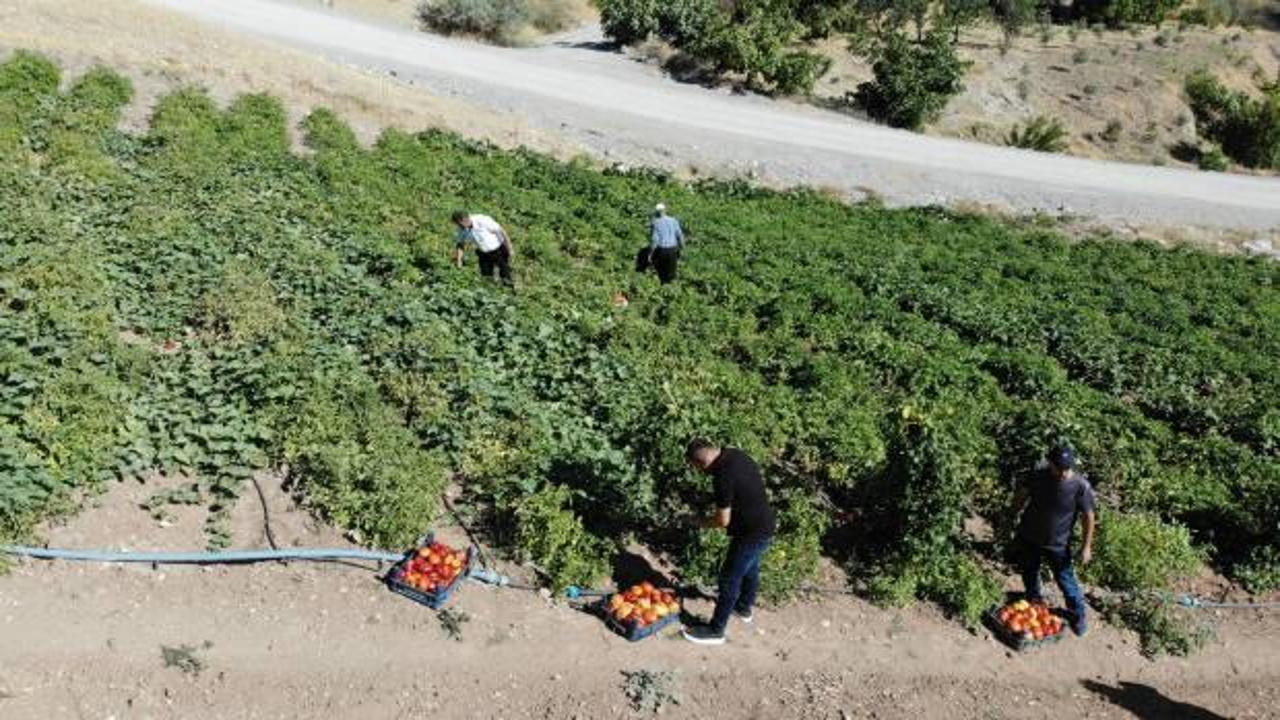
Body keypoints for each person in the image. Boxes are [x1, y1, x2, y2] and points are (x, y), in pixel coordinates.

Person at [681, 439, 777, 646]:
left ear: (701, 462)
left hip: (750, 533)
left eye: (695, 467)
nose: (697, 472)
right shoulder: (735, 453)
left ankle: (716, 631)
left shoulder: (722, 477)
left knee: (728, 579)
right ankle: (743, 608)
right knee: (750, 568)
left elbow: (722, 520)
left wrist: (697, 521)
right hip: (765, 524)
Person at [1013, 444, 1097, 637]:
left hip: (1058, 543)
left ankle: (1078, 615)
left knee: (1066, 580)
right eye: (1058, 467)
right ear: (1049, 463)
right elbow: (1022, 496)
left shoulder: (1080, 486)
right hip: (1030, 535)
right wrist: (1011, 514)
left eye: (1066, 468)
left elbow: (1089, 517)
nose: (1063, 472)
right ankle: (1034, 601)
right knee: (1029, 571)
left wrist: (1086, 547)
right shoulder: (1039, 477)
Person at [452, 210, 513, 285]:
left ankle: (509, 292)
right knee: (486, 277)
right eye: (458, 225)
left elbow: (502, 231)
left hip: (498, 250)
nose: (459, 227)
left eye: (459, 224)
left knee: (505, 275)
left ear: (464, 220)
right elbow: (460, 244)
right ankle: (490, 292)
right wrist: (459, 261)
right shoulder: (462, 228)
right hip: (483, 253)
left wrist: (509, 248)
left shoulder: (482, 220)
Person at [648, 203, 684, 285]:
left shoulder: (656, 223)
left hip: (662, 250)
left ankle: (663, 288)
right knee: (672, 272)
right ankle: (671, 289)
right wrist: (681, 247)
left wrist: (650, 253)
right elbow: (680, 235)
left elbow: (655, 241)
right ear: (665, 210)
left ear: (656, 212)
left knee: (662, 273)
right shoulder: (673, 220)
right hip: (673, 249)